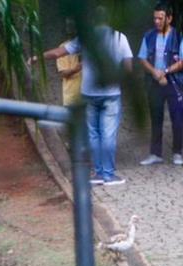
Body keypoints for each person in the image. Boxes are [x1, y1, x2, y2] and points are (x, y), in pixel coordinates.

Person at [41, 23, 133, 185]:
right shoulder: (120, 37)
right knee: (108, 134)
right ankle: (109, 175)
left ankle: (98, 173)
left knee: (93, 134)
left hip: (89, 93)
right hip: (111, 93)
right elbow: (128, 68)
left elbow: (58, 52)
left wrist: (37, 57)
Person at [137, 4, 183, 166]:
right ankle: (155, 153)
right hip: (154, 82)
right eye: (155, 18)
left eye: (160, 18)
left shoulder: (179, 37)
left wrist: (165, 71)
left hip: (173, 82)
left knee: (177, 118)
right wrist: (155, 72)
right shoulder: (149, 36)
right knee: (155, 118)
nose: (157, 21)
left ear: (169, 18)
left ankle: (177, 152)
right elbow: (142, 58)